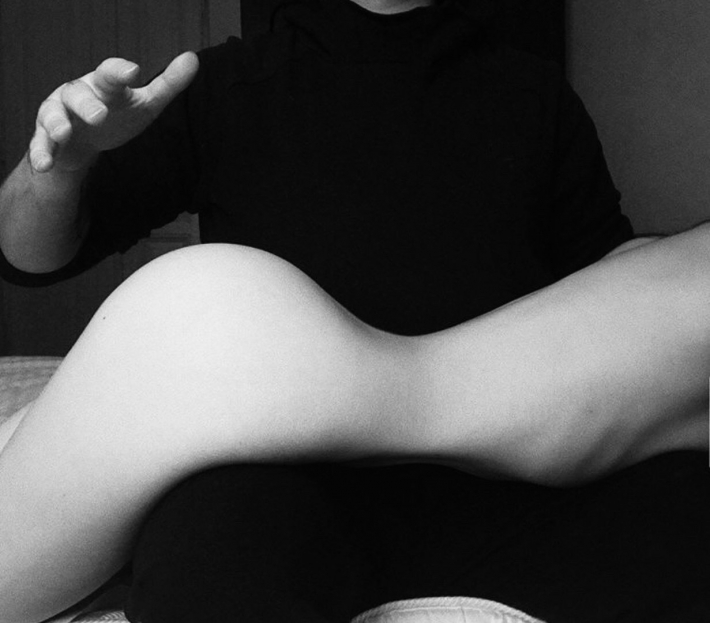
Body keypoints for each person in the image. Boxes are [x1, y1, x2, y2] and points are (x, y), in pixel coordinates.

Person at [0, 0, 707, 622]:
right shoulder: (223, 84)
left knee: (685, 516)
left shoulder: (534, 93)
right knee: (209, 547)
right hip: (286, 482)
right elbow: (31, 256)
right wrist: (57, 171)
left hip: (500, 477)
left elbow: (606, 292)